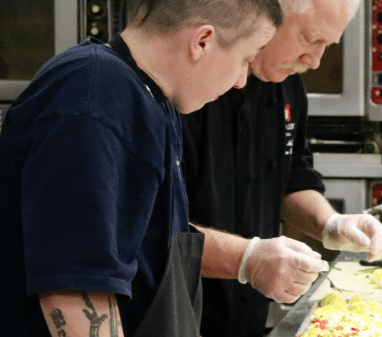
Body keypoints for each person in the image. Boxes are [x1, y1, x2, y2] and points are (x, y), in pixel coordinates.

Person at [0, 0, 328, 336]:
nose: (241, 81)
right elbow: (75, 293)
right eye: (245, 59)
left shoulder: (152, 101)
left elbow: (152, 237)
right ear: (202, 41)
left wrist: (249, 258)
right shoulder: (91, 102)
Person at [180, 0, 382, 335]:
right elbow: (150, 229)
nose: (316, 60)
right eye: (310, 39)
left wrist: (330, 223)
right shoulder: (186, 87)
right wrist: (247, 258)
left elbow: (291, 174)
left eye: (327, 45)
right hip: (178, 317)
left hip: (248, 316)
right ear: (266, 16)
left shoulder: (287, 83)